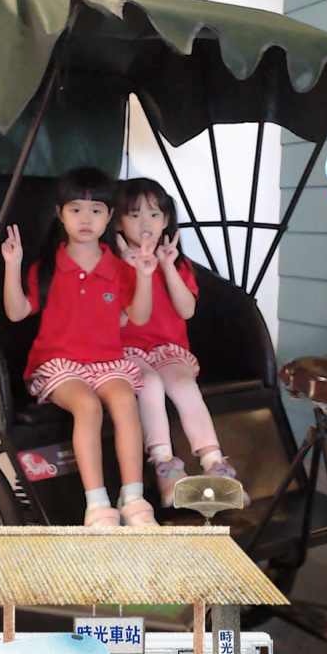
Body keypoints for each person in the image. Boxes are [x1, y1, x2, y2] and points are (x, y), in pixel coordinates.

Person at [1, 166, 160, 529]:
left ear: (109, 216)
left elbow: (138, 316)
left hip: (107, 362)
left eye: (96, 210)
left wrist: (145, 277)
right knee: (88, 406)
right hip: (59, 364)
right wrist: (13, 265)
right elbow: (16, 312)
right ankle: (98, 505)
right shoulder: (47, 266)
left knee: (125, 402)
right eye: (76, 209)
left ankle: (134, 499)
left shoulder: (119, 268)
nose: (86, 219)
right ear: (60, 214)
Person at [114, 177, 248, 508]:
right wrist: (138, 272)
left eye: (155, 215)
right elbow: (124, 319)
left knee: (185, 387)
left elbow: (187, 310)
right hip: (126, 351)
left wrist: (166, 266)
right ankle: (166, 468)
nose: (146, 223)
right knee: (149, 383)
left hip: (168, 349)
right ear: (117, 223)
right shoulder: (112, 265)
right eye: (134, 215)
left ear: (167, 222)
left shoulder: (177, 263)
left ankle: (214, 463)